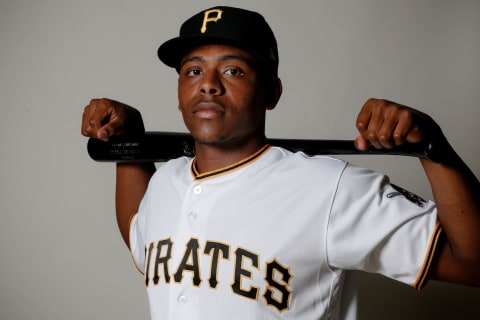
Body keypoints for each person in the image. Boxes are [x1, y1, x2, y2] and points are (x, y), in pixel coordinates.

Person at [81, 6, 480, 319]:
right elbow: (139, 231)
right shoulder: (164, 183)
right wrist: (130, 141)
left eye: (233, 69)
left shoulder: (331, 189)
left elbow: (473, 264)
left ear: (272, 91)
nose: (208, 83)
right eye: (194, 70)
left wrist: (434, 148)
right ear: (181, 90)